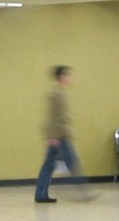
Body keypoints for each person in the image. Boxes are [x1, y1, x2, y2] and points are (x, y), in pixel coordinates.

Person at [34, 65, 92, 202]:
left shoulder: (58, 92)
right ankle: (84, 192)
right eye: (68, 76)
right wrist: (53, 136)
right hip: (60, 136)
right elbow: (53, 116)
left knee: (48, 165)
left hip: (57, 135)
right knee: (72, 162)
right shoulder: (56, 93)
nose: (70, 78)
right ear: (61, 77)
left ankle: (40, 194)